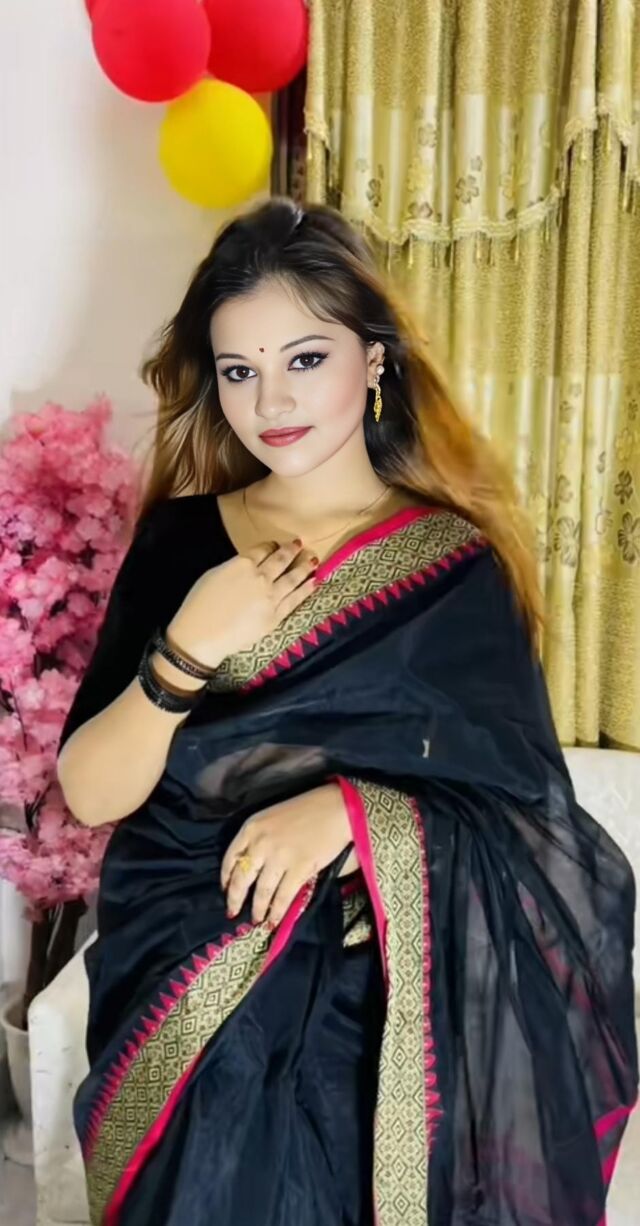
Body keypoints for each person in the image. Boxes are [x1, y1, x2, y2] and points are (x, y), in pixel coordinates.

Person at [56, 198, 638, 1226]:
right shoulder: (184, 541)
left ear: (373, 358)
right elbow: (93, 792)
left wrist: (353, 814)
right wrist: (190, 645)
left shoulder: (455, 567)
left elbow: (529, 817)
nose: (270, 400)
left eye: (305, 358)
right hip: (188, 968)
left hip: (383, 1003)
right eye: (238, 370)